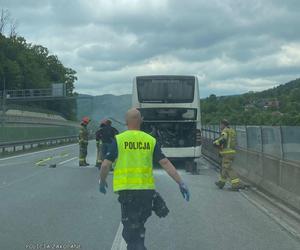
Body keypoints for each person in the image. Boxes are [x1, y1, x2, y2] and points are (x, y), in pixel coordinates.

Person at [99, 108, 190, 250]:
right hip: (147, 193)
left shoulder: (119, 140)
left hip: (128, 192)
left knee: (132, 234)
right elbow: (165, 163)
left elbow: (105, 165)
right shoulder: (150, 140)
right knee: (137, 229)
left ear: (125, 122)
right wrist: (181, 182)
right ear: (141, 120)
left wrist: (102, 181)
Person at [213, 119, 242, 191]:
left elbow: (223, 138)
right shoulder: (232, 131)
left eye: (220, 124)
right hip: (231, 152)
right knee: (224, 168)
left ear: (223, 124)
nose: (220, 126)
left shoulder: (225, 130)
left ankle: (236, 185)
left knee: (228, 169)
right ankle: (221, 183)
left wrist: (216, 142)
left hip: (227, 153)